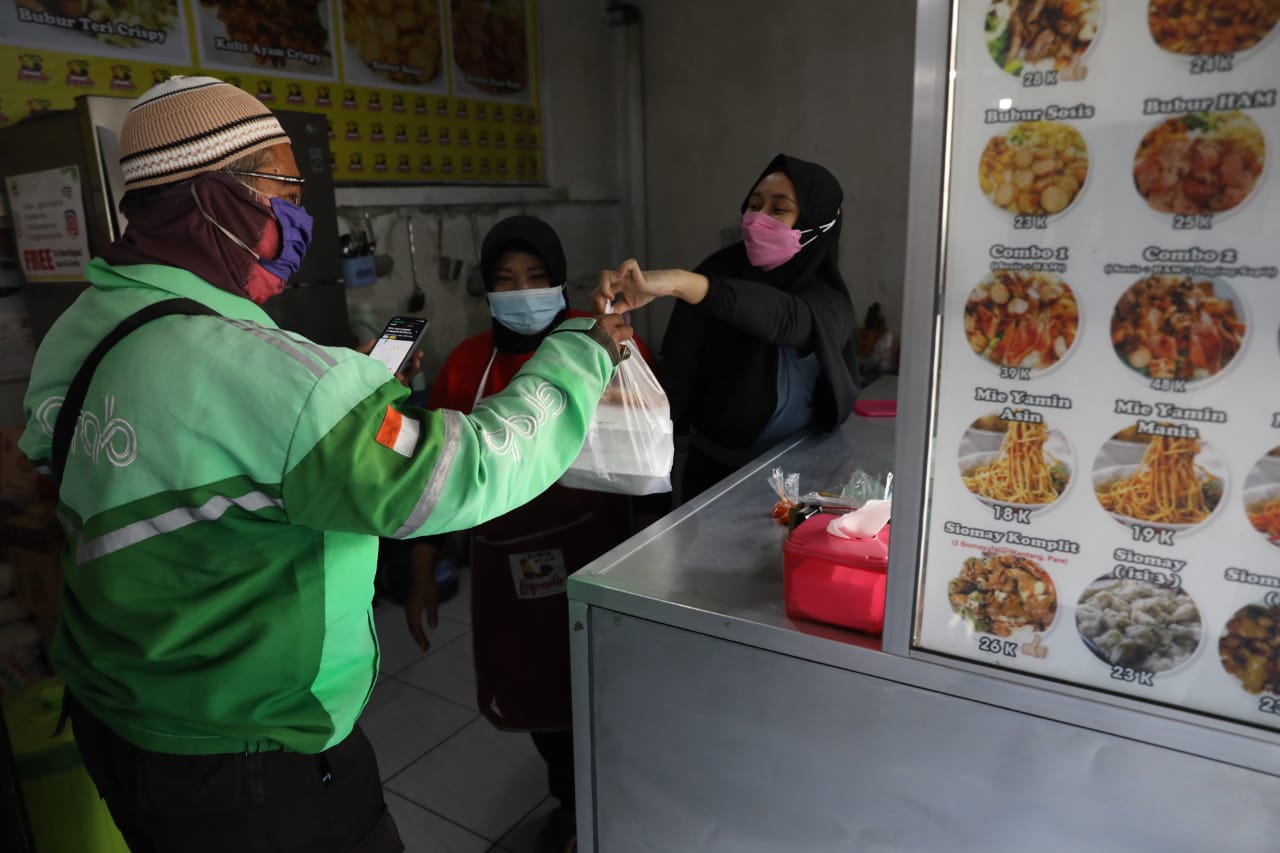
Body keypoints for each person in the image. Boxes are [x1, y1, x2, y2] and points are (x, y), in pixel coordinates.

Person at [18, 77, 632, 853]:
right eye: (283, 187)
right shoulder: (273, 376)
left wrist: (338, 402)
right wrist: (579, 350)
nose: (299, 216)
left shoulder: (85, 326)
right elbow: (463, 470)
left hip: (119, 727)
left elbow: (99, 460)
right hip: (248, 767)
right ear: (214, 196)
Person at [404, 215, 649, 853]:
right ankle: (572, 808)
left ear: (559, 282)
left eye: (536, 278)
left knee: (609, 691)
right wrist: (422, 570)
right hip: (506, 567)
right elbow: (431, 476)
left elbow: (649, 455)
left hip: (599, 556)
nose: (521, 291)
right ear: (486, 289)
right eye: (505, 280)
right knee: (539, 694)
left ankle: (618, 804)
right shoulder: (465, 365)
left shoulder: (604, 344)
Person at [597, 153, 858, 503]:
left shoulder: (826, 299)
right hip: (713, 473)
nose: (757, 219)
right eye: (753, 205)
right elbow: (674, 386)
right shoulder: (717, 271)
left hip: (801, 473)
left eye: (778, 209)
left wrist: (678, 282)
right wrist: (650, 503)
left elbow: (787, 321)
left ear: (818, 222)